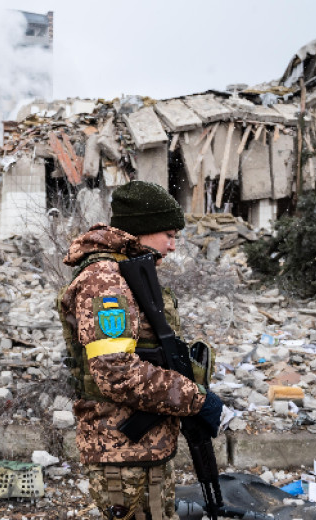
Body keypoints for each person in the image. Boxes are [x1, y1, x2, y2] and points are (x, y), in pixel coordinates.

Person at [57, 181, 224, 520]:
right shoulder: (105, 282)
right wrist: (195, 398)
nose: (173, 246)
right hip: (123, 453)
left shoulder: (129, 274)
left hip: (141, 452)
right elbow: (115, 372)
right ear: (144, 230)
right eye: (169, 234)